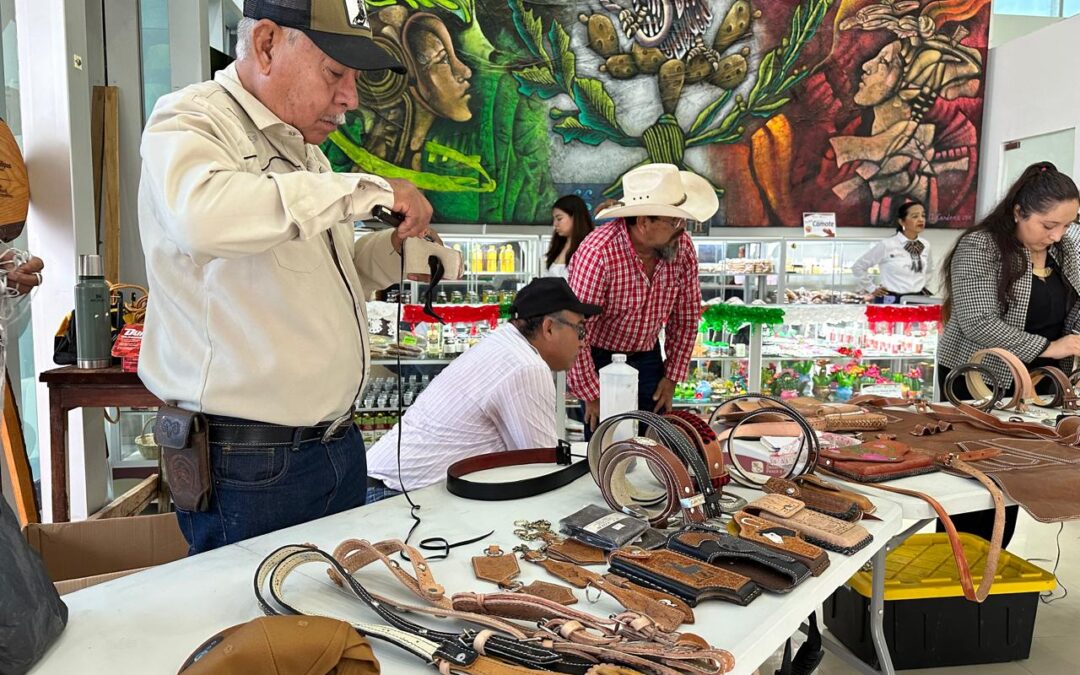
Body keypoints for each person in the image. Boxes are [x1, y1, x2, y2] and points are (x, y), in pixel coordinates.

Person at [137, 0, 436, 555]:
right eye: (335, 73)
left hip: (335, 444)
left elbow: (324, 272)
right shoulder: (192, 121)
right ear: (269, 43)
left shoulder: (306, 156)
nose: (349, 97)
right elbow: (203, 217)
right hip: (248, 460)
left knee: (327, 625)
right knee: (260, 634)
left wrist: (392, 254)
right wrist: (362, 188)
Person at [938, 160, 1080, 547]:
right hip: (979, 379)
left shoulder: (1064, 248)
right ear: (1018, 211)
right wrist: (1051, 346)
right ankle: (955, 567)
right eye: (1048, 225)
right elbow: (977, 322)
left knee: (1013, 479)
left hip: (1041, 384)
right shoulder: (981, 246)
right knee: (976, 480)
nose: (1057, 234)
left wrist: (1072, 340)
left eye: (1067, 225)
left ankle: (991, 565)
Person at [364, 277, 599, 501]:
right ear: (548, 328)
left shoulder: (505, 344)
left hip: (385, 484)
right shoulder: (526, 366)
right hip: (397, 496)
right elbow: (542, 468)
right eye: (580, 330)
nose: (582, 342)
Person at [568, 163, 717, 434]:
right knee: (607, 442)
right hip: (599, 359)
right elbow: (576, 328)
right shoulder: (599, 252)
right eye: (673, 221)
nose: (681, 228)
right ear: (644, 222)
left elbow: (685, 317)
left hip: (648, 356)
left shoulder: (680, 247)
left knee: (652, 440)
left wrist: (672, 375)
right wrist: (591, 394)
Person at [851, 201, 933, 302]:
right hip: (892, 300)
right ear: (902, 222)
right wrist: (871, 288)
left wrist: (923, 288)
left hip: (918, 300)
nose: (921, 219)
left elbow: (929, 271)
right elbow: (858, 267)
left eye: (923, 216)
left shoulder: (925, 245)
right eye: (915, 216)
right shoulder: (887, 244)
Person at [544, 195, 595, 278]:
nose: (555, 224)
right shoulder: (557, 246)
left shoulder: (589, 249)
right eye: (554, 219)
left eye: (559, 219)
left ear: (575, 218)